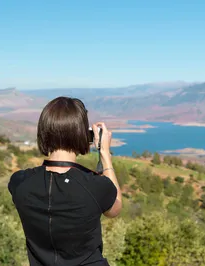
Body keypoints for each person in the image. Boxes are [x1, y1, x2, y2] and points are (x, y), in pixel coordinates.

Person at [8, 97, 122, 266]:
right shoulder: (94, 186)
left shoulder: (19, 182)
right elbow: (115, 208)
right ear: (82, 135)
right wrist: (104, 153)